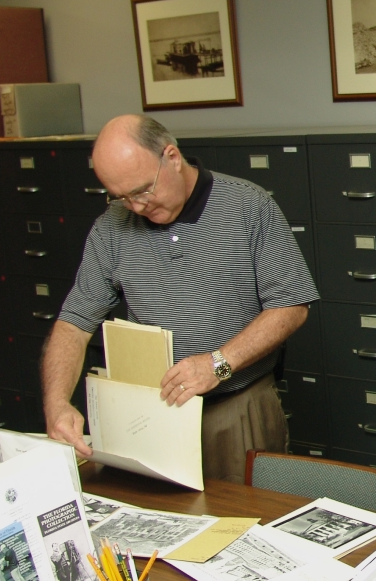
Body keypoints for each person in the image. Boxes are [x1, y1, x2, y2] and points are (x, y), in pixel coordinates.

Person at [42, 115, 319, 482]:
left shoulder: (247, 207)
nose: (136, 207)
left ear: (171, 157)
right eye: (121, 197)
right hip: (151, 414)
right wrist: (57, 402)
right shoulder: (112, 226)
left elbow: (291, 306)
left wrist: (217, 365)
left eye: (142, 191)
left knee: (245, 521)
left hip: (234, 408)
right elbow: (75, 321)